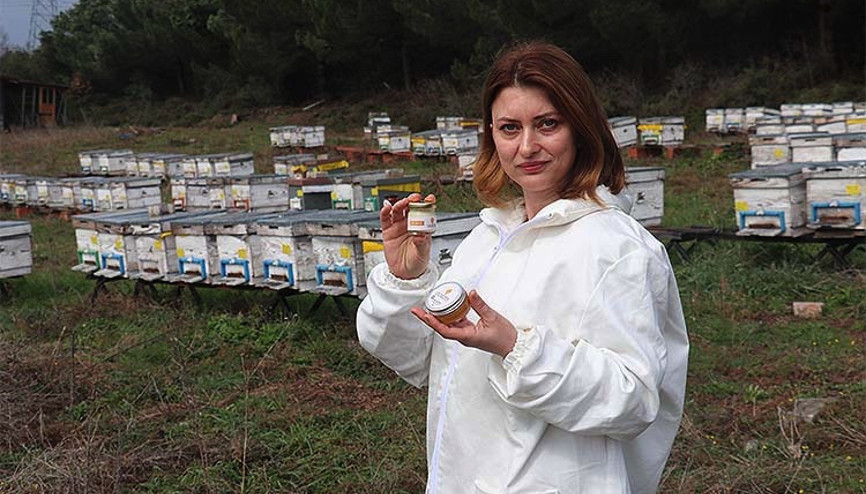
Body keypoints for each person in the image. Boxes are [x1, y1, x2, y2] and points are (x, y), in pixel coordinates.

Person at [356, 40, 689, 494]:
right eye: (509, 128)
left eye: (547, 124)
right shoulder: (487, 238)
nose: (527, 147)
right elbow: (422, 362)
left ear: (581, 127)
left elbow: (634, 400)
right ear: (491, 136)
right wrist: (406, 278)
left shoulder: (617, 248)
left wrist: (516, 348)